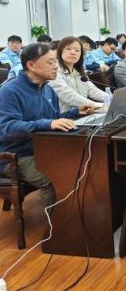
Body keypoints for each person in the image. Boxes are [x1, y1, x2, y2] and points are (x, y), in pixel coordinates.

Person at [0, 44, 93, 206]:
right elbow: (8, 128)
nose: (56, 67)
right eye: (50, 62)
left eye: (55, 62)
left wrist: (76, 112)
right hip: (17, 155)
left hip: (44, 149)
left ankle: (79, 215)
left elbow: (54, 119)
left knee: (84, 163)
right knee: (54, 179)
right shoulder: (9, 91)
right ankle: (56, 222)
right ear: (31, 65)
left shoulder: (47, 89)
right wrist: (48, 123)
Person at [49, 37, 107, 112]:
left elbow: (93, 91)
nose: (73, 52)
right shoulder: (54, 70)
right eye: (68, 49)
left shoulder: (78, 71)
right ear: (60, 51)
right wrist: (97, 105)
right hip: (64, 115)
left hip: (82, 113)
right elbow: (68, 95)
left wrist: (111, 99)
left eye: (77, 50)